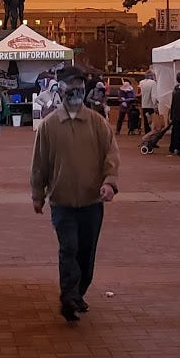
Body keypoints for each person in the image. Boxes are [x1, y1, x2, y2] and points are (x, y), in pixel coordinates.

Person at [30, 69, 119, 322]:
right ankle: (68, 296)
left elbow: (111, 156)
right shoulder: (48, 127)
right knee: (69, 248)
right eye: (70, 90)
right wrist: (38, 195)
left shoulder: (97, 123)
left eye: (80, 89)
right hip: (62, 203)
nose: (75, 94)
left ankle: (78, 292)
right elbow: (39, 164)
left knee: (86, 253)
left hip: (92, 202)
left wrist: (110, 184)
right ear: (60, 91)